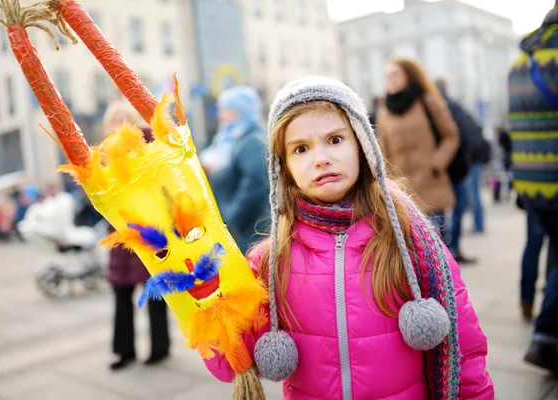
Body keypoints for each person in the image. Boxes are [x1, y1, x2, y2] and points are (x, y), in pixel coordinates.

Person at [204, 76, 494, 399]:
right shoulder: (271, 260)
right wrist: (207, 298)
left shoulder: (409, 238)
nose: (321, 158)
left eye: (335, 140)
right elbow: (231, 362)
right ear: (283, 167)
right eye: (301, 148)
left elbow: (464, 348)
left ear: (362, 145)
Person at [103, 102, 170, 370]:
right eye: (114, 119)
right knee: (121, 292)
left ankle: (160, 347)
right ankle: (124, 350)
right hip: (120, 233)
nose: (119, 122)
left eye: (124, 117)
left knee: (154, 291)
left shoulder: (147, 147)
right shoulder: (105, 153)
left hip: (147, 228)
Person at [509, 3, 558, 373]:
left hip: (529, 179)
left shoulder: (520, 63)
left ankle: (533, 304)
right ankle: (545, 334)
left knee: (543, 244)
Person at [376, 58, 459, 241]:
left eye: (396, 74)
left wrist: (437, 165)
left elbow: (451, 136)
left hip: (430, 183)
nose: (391, 79)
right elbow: (382, 150)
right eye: (388, 76)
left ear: (409, 76)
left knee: (437, 244)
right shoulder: (383, 111)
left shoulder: (428, 101)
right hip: (402, 190)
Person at [199, 86, 270, 254]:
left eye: (225, 110)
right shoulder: (230, 141)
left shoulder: (251, 141)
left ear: (240, 111)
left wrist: (233, 218)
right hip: (238, 229)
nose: (219, 115)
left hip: (249, 232)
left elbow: (256, 184)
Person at [435, 78, 488, 264]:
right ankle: (453, 248)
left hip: (448, 168)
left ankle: (447, 252)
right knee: (459, 205)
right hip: (457, 166)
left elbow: (459, 136)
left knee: (443, 210)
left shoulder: (434, 107)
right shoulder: (453, 106)